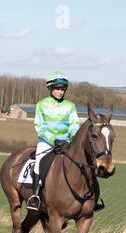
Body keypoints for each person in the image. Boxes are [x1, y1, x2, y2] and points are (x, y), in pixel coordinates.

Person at [26, 71, 81, 211]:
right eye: (57, 89)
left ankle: (90, 196)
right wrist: (54, 140)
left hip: (66, 143)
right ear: (50, 89)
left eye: (62, 89)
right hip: (47, 142)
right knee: (38, 163)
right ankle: (36, 196)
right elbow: (39, 127)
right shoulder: (41, 105)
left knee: (83, 162)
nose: (60, 92)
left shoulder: (70, 105)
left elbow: (75, 124)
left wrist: (70, 138)